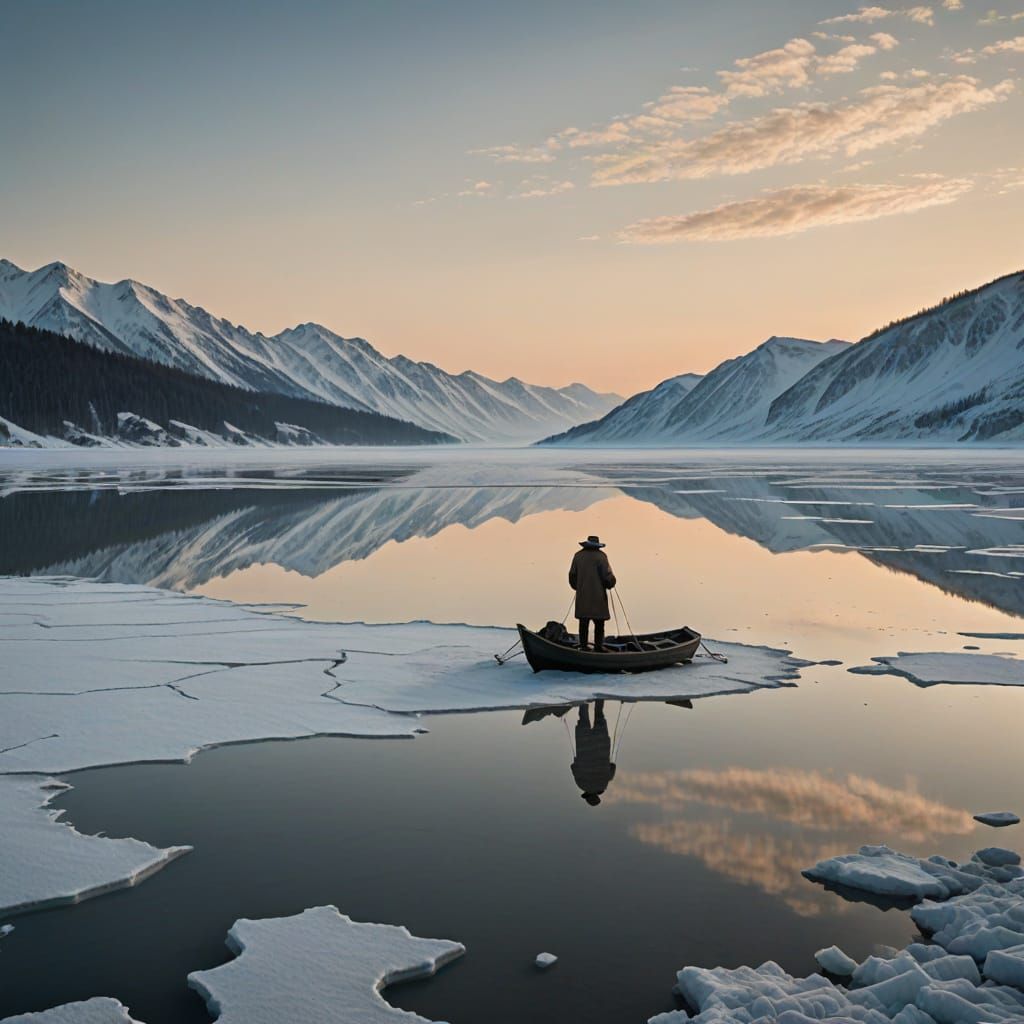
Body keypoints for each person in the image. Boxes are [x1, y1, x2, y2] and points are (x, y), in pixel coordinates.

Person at [568, 534, 616, 651]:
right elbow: (607, 577)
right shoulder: (601, 557)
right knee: (599, 624)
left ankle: (583, 646)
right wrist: (611, 583)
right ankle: (599, 647)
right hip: (598, 597)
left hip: (582, 596)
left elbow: (572, 576)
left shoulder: (578, 556)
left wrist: (578, 588)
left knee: (583, 623)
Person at [571, 700, 616, 806]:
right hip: (584, 745)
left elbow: (612, 767)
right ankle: (583, 697)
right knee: (583, 718)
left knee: (599, 714)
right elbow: (573, 767)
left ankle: (599, 696)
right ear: (587, 795)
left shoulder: (604, 783)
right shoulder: (581, 784)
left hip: (601, 744)